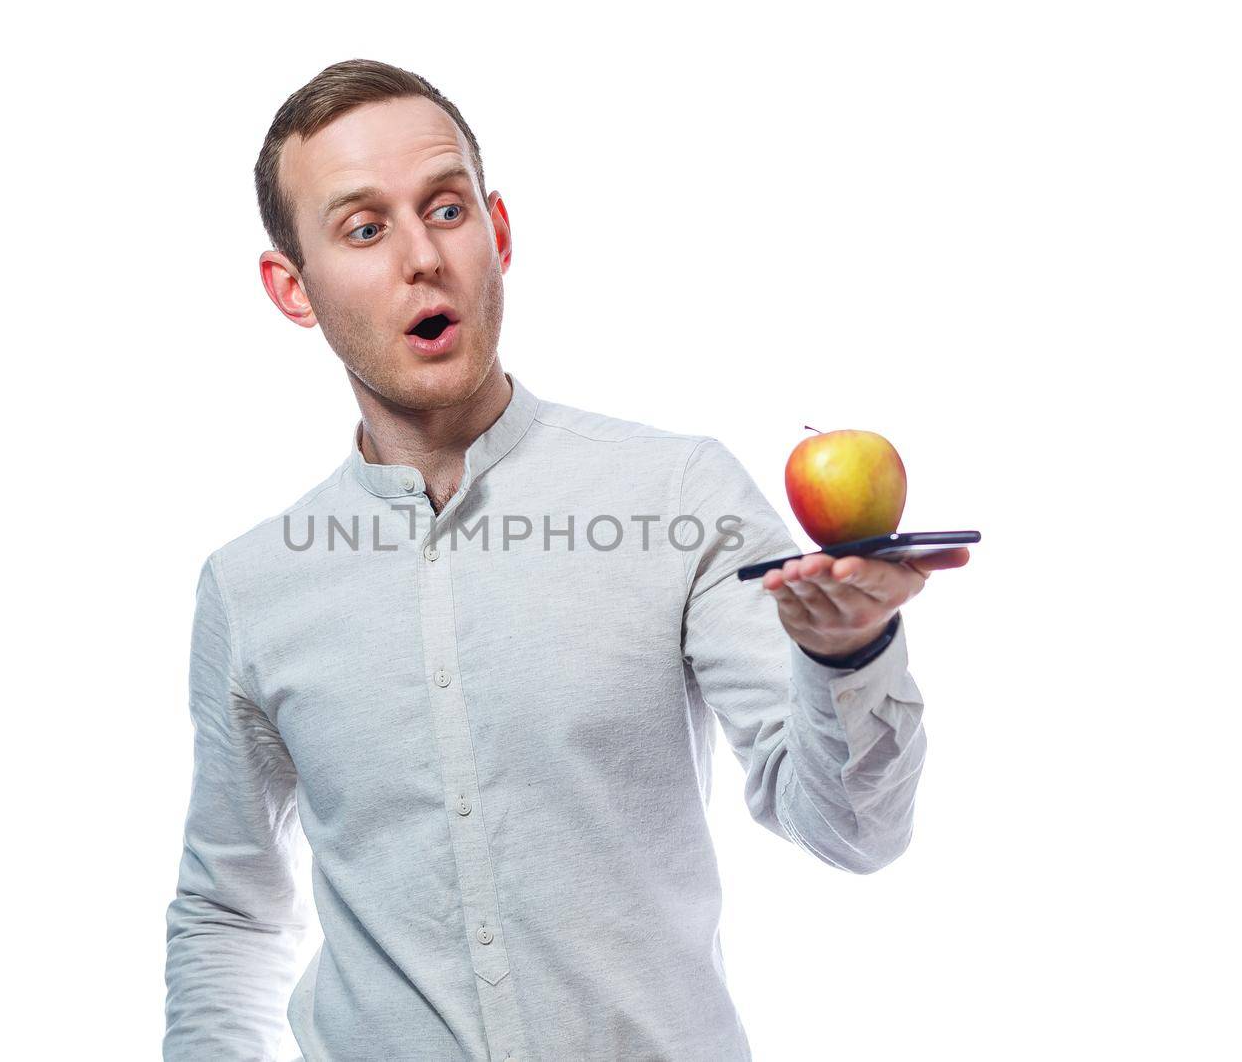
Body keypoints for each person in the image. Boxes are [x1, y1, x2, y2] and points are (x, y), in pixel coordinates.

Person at [163, 58, 970, 1062]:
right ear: (293, 288)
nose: (422, 256)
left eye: (447, 209)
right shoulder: (251, 586)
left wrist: (848, 656)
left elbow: (853, 827)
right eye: (364, 228)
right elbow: (228, 912)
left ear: (498, 233)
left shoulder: (676, 496)